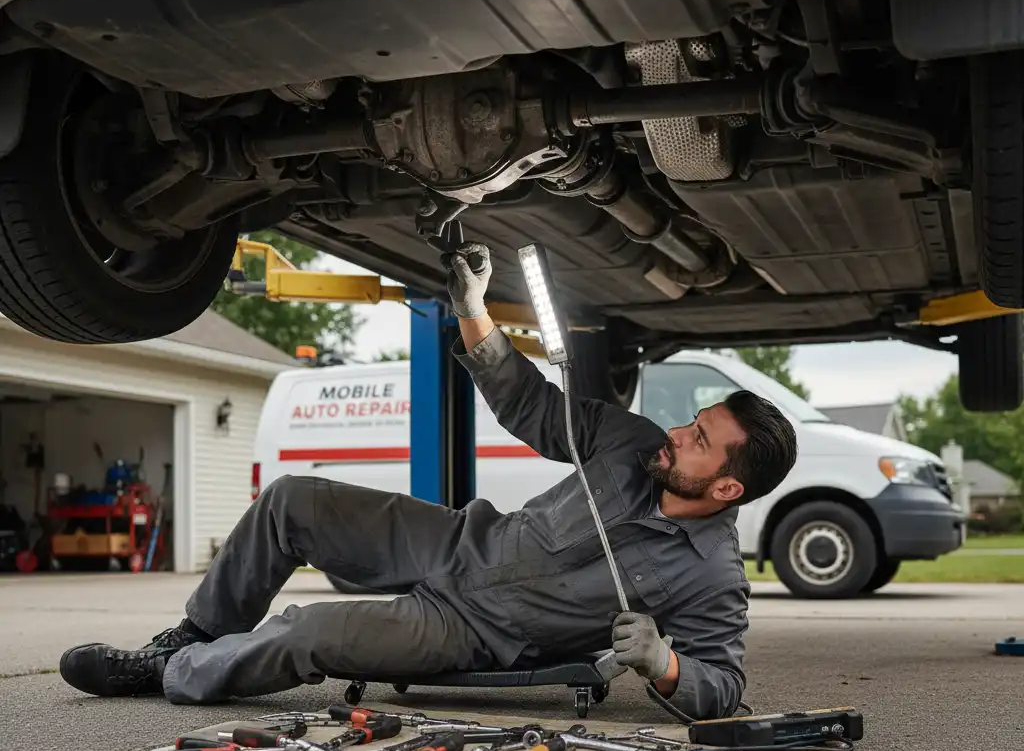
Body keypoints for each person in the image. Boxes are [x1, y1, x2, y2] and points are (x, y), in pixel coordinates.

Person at [59, 243, 798, 719]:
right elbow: (531, 405)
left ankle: (173, 675)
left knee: (311, 631)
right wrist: (474, 311)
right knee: (292, 502)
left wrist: (667, 666)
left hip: (473, 631)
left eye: (700, 441)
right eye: (690, 422)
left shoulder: (711, 576)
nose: (676, 433)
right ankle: (192, 633)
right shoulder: (632, 444)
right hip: (455, 544)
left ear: (728, 489)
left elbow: (724, 688)